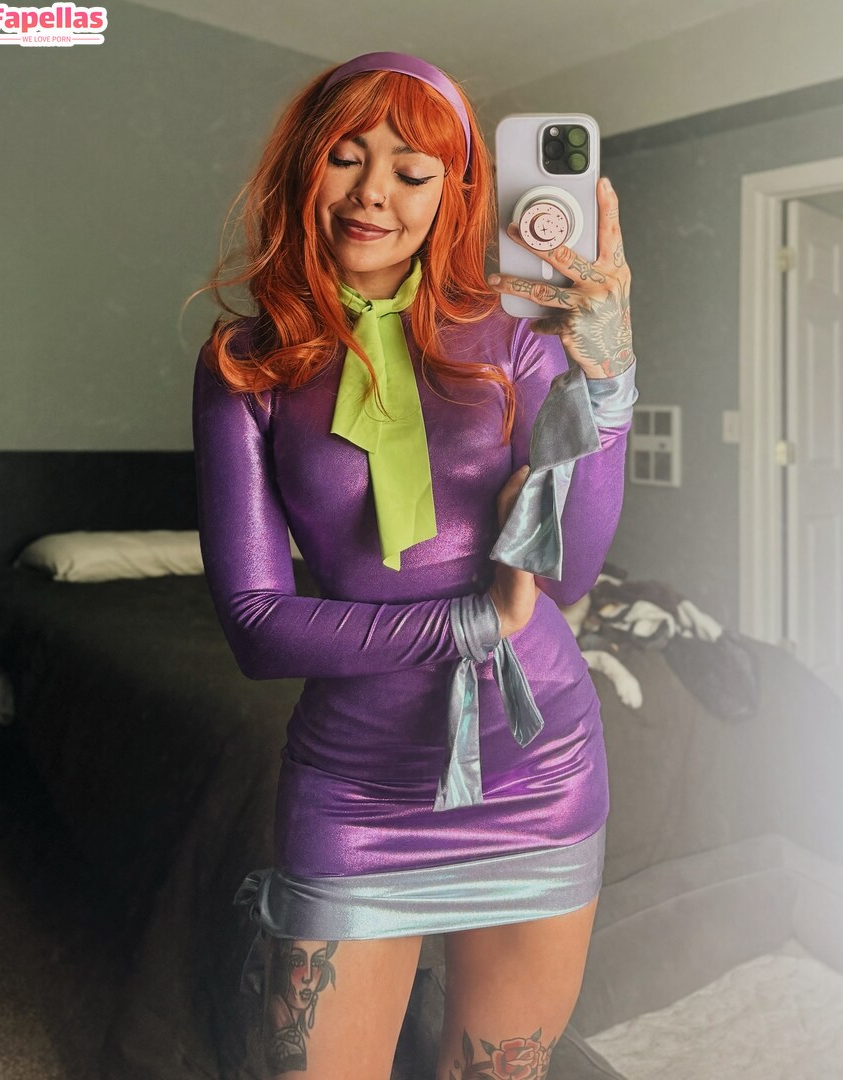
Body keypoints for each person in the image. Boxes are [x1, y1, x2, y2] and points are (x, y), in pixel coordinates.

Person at [191, 51, 637, 1080]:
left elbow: (568, 572)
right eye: (346, 159)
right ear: (304, 170)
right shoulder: (245, 365)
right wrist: (469, 622)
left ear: (454, 192)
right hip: (353, 791)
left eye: (411, 171)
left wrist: (609, 381)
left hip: (539, 770)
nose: (373, 195)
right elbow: (256, 624)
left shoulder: (517, 339)